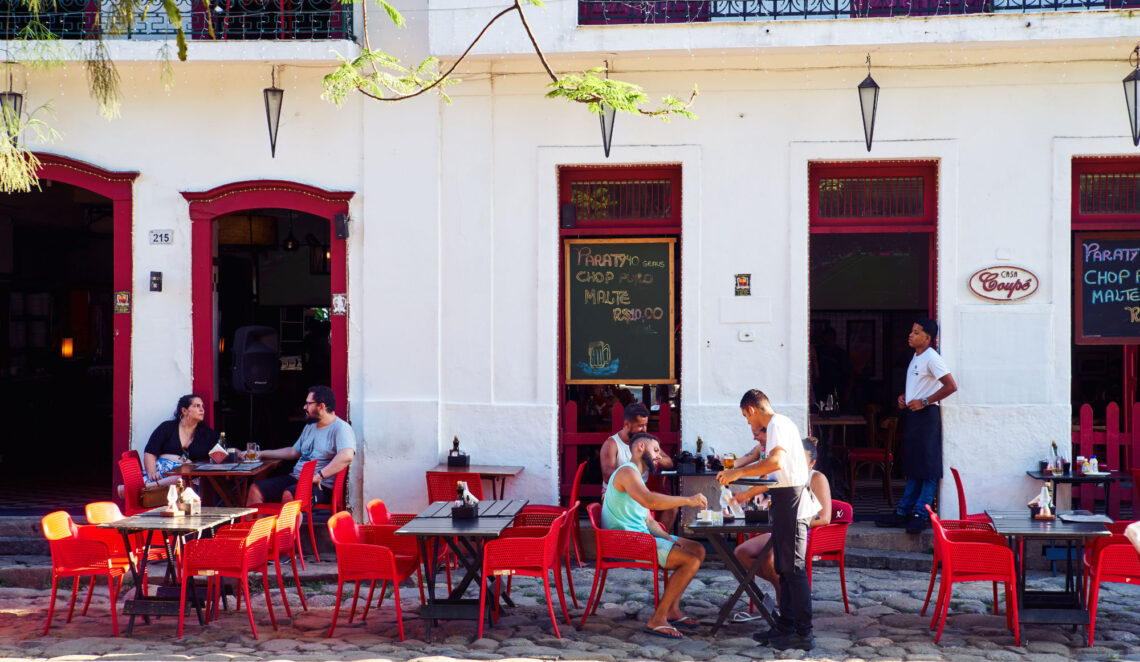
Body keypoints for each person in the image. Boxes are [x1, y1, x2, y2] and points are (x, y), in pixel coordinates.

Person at [718, 389, 819, 651]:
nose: (748, 424)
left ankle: (803, 633)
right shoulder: (778, 425)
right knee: (784, 569)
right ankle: (785, 627)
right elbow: (776, 475)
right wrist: (745, 494)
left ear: (752, 410)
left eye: (746, 417)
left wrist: (737, 472)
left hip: (793, 502)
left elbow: (774, 463)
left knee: (794, 569)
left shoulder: (776, 423)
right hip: (783, 498)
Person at [604, 432, 708, 640]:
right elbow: (650, 501)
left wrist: (669, 539)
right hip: (627, 542)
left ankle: (673, 610)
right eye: (656, 450)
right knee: (690, 561)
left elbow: (649, 521)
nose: (659, 457)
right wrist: (687, 500)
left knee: (697, 549)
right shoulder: (626, 472)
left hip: (640, 536)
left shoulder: (636, 476)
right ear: (640, 447)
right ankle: (658, 619)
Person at [730, 437, 832, 611]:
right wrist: (745, 499)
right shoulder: (784, 474)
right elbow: (761, 496)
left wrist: (793, 521)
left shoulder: (817, 478)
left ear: (812, 462)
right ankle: (782, 590)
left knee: (770, 558)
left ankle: (785, 603)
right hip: (778, 529)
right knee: (741, 553)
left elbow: (824, 518)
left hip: (803, 531)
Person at [876, 318, 958, 535]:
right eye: (911, 331)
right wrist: (906, 397)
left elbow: (951, 386)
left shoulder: (932, 358)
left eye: (916, 332)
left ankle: (920, 515)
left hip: (927, 417)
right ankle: (903, 512)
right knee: (913, 467)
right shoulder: (916, 357)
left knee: (928, 468)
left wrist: (924, 401)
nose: (910, 335)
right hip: (914, 416)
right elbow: (919, 386)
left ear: (928, 338)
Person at [247, 385, 356, 506]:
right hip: (296, 478)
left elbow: (347, 455)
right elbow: (293, 451)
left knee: (289, 495)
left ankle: (288, 526)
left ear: (321, 406)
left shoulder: (341, 428)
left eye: (309, 404)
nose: (304, 407)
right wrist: (261, 453)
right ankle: (258, 526)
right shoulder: (311, 426)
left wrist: (320, 475)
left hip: (320, 485)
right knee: (255, 489)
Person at [600, 403, 677, 528]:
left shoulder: (645, 441)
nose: (645, 430)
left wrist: (653, 455)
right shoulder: (612, 444)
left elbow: (669, 463)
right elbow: (607, 476)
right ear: (627, 425)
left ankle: (658, 542)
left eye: (646, 425)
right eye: (640, 426)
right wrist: (631, 482)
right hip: (617, 494)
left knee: (672, 508)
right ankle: (646, 541)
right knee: (643, 504)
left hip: (641, 493)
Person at [143, 394, 219, 486]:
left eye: (202, 406)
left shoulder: (206, 434)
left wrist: (240, 454)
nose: (202, 410)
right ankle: (147, 487)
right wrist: (152, 474)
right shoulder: (167, 427)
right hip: (160, 473)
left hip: (185, 477)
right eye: (196, 406)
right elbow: (150, 453)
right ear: (184, 410)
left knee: (184, 479)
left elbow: (224, 448)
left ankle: (144, 488)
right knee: (182, 479)